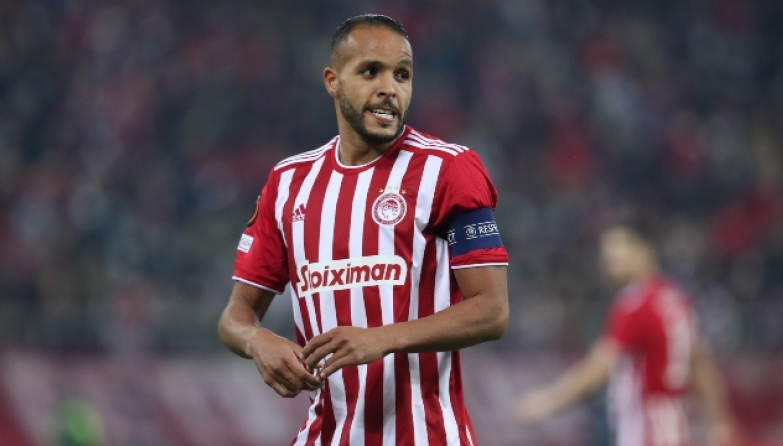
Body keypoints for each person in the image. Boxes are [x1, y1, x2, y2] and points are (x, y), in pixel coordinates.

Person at [218, 14, 509, 446]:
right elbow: (236, 314)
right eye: (371, 71)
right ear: (333, 81)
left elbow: (492, 310)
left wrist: (383, 339)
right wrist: (257, 341)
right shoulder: (288, 182)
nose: (389, 87)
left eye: (402, 74)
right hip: (325, 435)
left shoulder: (449, 169)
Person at [516, 222, 738, 446]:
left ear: (646, 251)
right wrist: (720, 422)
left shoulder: (636, 302)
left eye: (621, 246)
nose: (610, 256)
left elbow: (600, 365)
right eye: (607, 250)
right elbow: (700, 363)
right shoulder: (675, 298)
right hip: (673, 424)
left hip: (647, 427)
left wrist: (547, 401)